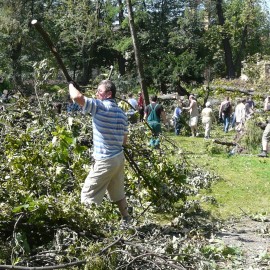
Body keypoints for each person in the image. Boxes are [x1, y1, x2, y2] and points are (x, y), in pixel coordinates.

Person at [68, 79, 131, 226]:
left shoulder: (100, 106)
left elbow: (77, 98)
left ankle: (89, 225)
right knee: (118, 193)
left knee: (88, 194)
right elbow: (124, 141)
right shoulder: (122, 114)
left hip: (105, 160)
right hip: (118, 158)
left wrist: (71, 84)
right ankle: (127, 219)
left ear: (108, 94)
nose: (96, 94)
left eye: (99, 91)